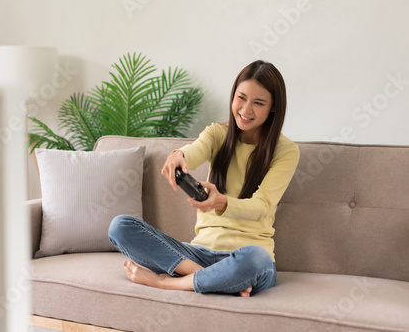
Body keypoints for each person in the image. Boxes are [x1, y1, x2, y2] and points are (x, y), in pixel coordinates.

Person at [108, 60, 300, 297]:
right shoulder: (217, 134)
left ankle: (166, 282)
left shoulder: (286, 150)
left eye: (258, 103)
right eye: (241, 98)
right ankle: (212, 277)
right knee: (120, 227)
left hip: (245, 257)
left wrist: (221, 202)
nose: (245, 110)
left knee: (256, 258)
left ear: (273, 107)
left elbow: (262, 207)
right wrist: (179, 155)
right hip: (197, 253)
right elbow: (197, 149)